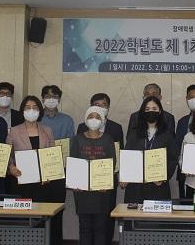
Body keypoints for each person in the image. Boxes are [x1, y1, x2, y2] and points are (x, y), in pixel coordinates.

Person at [7, 95, 60, 244]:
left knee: (41, 222)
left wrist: (50, 174)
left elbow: (52, 156)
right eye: (28, 108)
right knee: (23, 222)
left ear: (40, 111)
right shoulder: (13, 131)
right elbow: (7, 156)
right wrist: (11, 168)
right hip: (21, 183)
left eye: (35, 108)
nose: (31, 110)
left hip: (43, 185)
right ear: (22, 111)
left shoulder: (47, 130)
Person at [77, 93, 123, 245]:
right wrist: (76, 182)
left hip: (104, 187)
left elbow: (115, 158)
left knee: (103, 225)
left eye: (103, 105)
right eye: (96, 106)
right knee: (84, 227)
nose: (95, 117)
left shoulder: (112, 133)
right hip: (83, 189)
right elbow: (75, 161)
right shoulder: (79, 135)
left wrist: (107, 181)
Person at [122, 96, 177, 204]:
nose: (151, 111)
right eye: (147, 109)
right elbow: (127, 156)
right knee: (134, 214)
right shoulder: (134, 133)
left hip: (158, 186)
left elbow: (172, 159)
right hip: (135, 187)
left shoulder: (167, 135)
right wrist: (124, 176)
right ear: (142, 112)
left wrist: (163, 177)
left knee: (155, 214)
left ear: (160, 111)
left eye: (154, 109)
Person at [38, 84, 74, 244]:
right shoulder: (36, 118)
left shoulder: (67, 120)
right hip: (38, 173)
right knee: (39, 210)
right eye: (47, 96)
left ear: (59, 99)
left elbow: (70, 146)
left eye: (54, 96)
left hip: (59, 172)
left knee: (57, 210)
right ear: (42, 99)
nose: (51, 99)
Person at [175, 84, 195, 198]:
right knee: (185, 204)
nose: (194, 100)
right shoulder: (182, 121)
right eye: (191, 97)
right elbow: (177, 147)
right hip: (185, 174)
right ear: (186, 99)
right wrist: (183, 166)